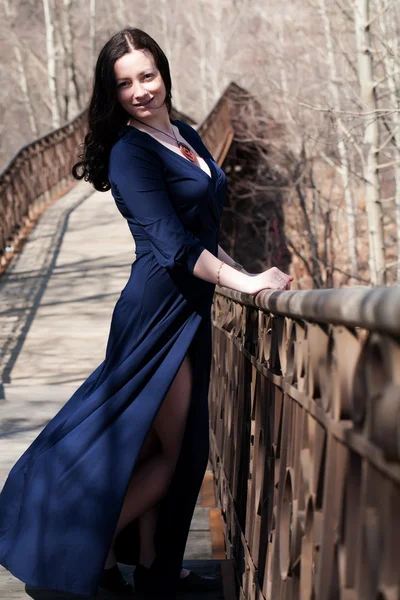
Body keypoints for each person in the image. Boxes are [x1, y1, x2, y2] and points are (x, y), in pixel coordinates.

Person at [0, 27, 292, 598]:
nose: (140, 90)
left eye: (147, 75)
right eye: (125, 83)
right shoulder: (130, 152)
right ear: (113, 94)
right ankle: (89, 542)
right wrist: (247, 284)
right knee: (182, 453)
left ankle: (158, 567)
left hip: (193, 305)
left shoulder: (183, 133)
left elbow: (202, 231)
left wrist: (246, 274)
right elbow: (174, 247)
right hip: (157, 313)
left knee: (159, 448)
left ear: (163, 73)